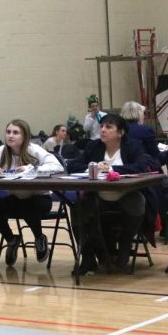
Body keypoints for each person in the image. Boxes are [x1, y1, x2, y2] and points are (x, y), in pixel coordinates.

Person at [67, 114, 147, 274]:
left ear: (120, 132)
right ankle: (88, 257)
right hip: (98, 196)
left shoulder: (133, 146)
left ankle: (125, 246)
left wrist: (113, 169)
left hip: (126, 194)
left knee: (138, 202)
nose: (103, 130)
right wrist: (93, 166)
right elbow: (73, 165)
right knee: (77, 210)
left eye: (108, 127)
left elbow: (140, 167)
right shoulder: (94, 146)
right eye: (102, 126)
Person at [0, 120, 64, 266]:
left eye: (15, 132)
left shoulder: (34, 150)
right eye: (8, 132)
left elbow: (57, 166)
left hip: (40, 199)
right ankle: (12, 240)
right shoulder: (0, 152)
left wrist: (31, 169)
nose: (10, 136)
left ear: (24, 137)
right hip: (17, 198)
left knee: (27, 206)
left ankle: (39, 238)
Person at [120, 101, 161, 165]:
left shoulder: (118, 130)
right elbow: (155, 155)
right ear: (139, 114)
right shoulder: (146, 130)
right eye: (143, 113)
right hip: (142, 168)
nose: (144, 116)